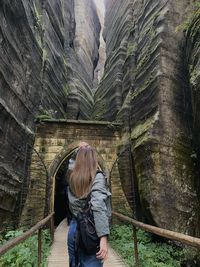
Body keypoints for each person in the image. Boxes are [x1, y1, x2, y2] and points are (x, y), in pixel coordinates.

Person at [67, 143, 111, 267]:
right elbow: (98, 206)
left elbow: (70, 164)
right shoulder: (97, 178)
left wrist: (77, 151)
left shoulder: (71, 177)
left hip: (74, 230)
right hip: (92, 232)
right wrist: (103, 237)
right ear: (93, 159)